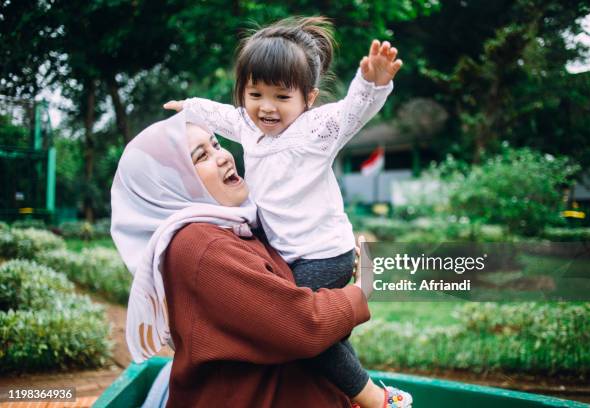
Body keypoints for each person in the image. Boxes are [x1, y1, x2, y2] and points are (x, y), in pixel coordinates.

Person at [163, 16, 410, 407]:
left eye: (281, 96)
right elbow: (217, 114)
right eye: (255, 93)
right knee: (319, 335)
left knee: (299, 330)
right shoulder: (246, 124)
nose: (266, 108)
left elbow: (353, 112)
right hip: (286, 252)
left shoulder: (316, 130)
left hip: (323, 252)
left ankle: (381, 399)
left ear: (308, 98)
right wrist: (188, 107)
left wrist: (372, 83)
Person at [111, 114, 411, 407]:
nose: (224, 157)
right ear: (173, 184)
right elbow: (300, 326)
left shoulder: (235, 228)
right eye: (200, 156)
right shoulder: (200, 244)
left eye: (216, 144)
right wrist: (362, 289)